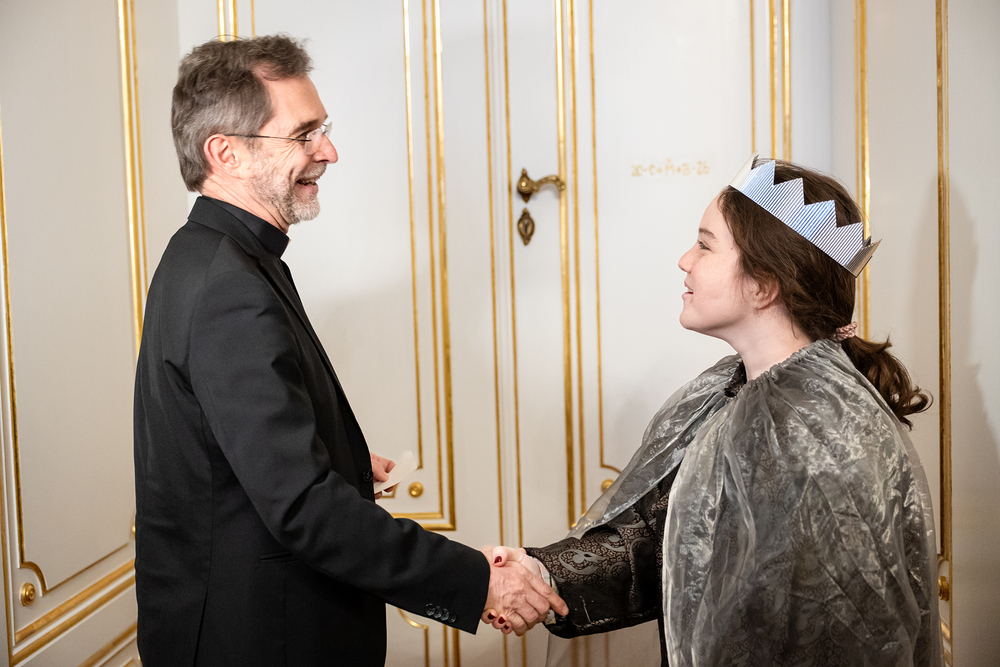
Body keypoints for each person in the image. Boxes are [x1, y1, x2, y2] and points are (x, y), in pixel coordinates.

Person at [133, 35, 565, 667]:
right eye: (302, 135)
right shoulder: (230, 287)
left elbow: (231, 451)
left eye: (323, 130)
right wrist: (479, 581)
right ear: (225, 153)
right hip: (258, 638)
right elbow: (302, 507)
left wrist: (342, 459)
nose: (328, 152)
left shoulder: (210, 256)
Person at [483, 155, 942, 666]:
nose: (685, 260)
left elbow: (829, 628)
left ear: (764, 284)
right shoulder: (733, 390)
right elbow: (664, 535)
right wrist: (541, 573)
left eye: (705, 245)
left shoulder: (817, 432)